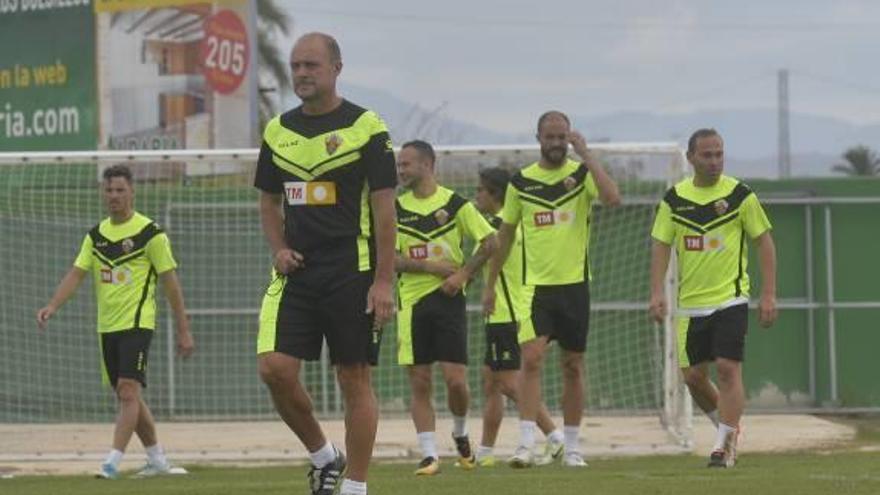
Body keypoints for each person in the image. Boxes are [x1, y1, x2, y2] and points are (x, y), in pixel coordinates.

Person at [254, 33, 396, 495]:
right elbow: (269, 202)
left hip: (352, 270)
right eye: (295, 66)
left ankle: (355, 486)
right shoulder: (278, 131)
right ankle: (323, 456)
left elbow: (384, 210)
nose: (301, 74)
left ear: (336, 68)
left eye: (311, 65)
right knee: (274, 368)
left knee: (352, 377)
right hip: (297, 272)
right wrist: (278, 248)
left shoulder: (367, 128)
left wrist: (382, 282)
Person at [36, 164, 194, 480]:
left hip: (138, 323)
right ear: (102, 193)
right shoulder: (95, 236)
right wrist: (52, 305)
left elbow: (171, 283)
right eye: (109, 190)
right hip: (106, 328)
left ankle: (111, 462)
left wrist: (183, 329)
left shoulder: (151, 233)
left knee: (127, 391)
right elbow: (76, 274)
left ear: (132, 192)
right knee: (130, 396)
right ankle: (157, 459)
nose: (114, 196)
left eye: (120, 190)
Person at [482, 111, 621, 468]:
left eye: (562, 137)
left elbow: (612, 198)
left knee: (573, 365)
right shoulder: (521, 182)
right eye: (551, 137)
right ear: (539, 138)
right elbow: (506, 236)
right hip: (535, 288)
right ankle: (526, 443)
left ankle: (572, 446)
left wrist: (587, 154)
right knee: (531, 359)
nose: (557, 143)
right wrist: (490, 284)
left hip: (575, 286)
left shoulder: (581, 174)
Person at [649, 128, 777, 468]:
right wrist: (657, 292)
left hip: (730, 298)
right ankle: (729, 428)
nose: (714, 161)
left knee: (727, 367)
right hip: (690, 304)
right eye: (707, 155)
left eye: (719, 154)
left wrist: (768, 294)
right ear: (691, 158)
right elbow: (661, 245)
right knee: (692, 377)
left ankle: (721, 446)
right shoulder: (674, 200)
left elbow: (764, 242)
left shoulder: (739, 195)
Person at [394, 140, 497, 475]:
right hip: (410, 302)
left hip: (449, 300)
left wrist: (463, 274)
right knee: (420, 380)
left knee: (455, 381)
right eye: (400, 164)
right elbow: (389, 258)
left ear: (427, 164)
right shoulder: (395, 209)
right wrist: (430, 268)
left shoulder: (455, 204)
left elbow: (490, 243)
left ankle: (461, 431)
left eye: (406, 164)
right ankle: (428, 455)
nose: (401, 170)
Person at [472, 167, 565, 468]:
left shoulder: (499, 228)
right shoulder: (505, 225)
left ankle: (555, 437)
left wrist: (456, 275)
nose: (476, 196)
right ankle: (485, 454)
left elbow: (478, 262)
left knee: (510, 384)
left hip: (509, 315)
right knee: (490, 381)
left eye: (480, 190)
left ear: (496, 195)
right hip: (500, 315)